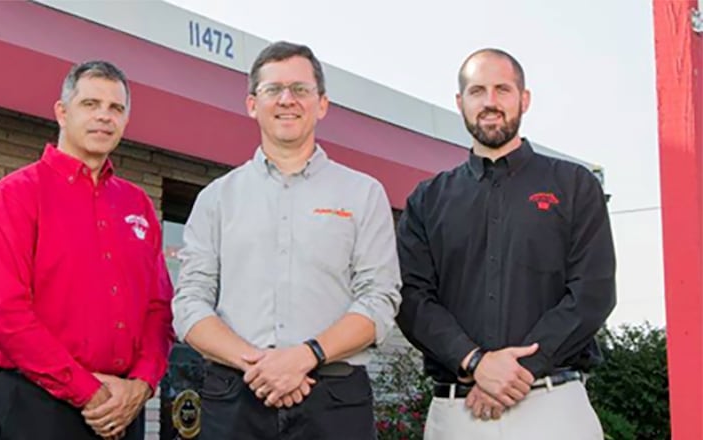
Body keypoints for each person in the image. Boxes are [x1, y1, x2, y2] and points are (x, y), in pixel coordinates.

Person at [172, 41, 401, 440]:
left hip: (334, 401)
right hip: (236, 396)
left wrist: (305, 356)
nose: (286, 100)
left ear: (322, 104)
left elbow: (379, 299)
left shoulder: (363, 194)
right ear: (252, 104)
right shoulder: (216, 199)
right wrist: (262, 365)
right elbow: (189, 303)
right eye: (273, 89)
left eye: (300, 89)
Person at [396, 48, 616, 440]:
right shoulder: (427, 200)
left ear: (524, 99)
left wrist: (518, 370)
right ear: (460, 102)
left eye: (503, 89)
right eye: (477, 91)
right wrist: (475, 362)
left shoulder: (575, 186)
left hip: (554, 409)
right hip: (458, 414)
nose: (490, 102)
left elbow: (592, 292)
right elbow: (411, 299)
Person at [0, 60, 174, 440]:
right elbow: (4, 313)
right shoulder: (16, 195)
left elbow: (158, 307)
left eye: (116, 108)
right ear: (62, 112)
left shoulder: (138, 205)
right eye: (90, 104)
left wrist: (142, 384)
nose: (104, 116)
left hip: (123, 410)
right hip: (37, 408)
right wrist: (88, 391)